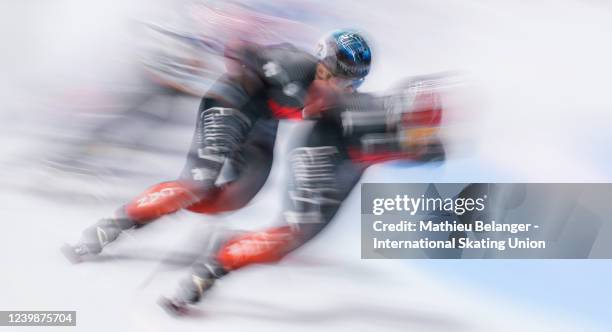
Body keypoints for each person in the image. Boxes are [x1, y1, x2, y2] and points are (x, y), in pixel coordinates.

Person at [62, 29, 374, 262]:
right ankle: (110, 226)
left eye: (346, 83)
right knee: (196, 185)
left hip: (262, 124)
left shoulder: (340, 100)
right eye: (328, 75)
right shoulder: (292, 63)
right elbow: (243, 50)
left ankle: (154, 209)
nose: (334, 86)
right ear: (317, 64)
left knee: (236, 198)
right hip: (231, 104)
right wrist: (246, 72)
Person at [160, 67, 446, 314]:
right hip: (322, 153)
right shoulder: (365, 115)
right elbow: (335, 107)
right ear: (401, 115)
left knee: (300, 237)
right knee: (292, 234)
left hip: (345, 164)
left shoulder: (398, 131)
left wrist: (419, 149)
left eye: (424, 131)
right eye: (416, 128)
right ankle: (209, 270)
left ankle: (227, 248)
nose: (418, 137)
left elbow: (415, 150)